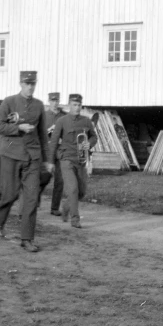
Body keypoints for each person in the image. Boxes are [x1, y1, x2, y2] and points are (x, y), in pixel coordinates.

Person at [0, 71, 52, 252]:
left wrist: (48, 160)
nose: (30, 87)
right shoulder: (9, 102)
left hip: (32, 158)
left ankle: (27, 239)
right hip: (11, 155)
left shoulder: (39, 105)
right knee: (10, 194)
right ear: (20, 84)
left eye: (33, 84)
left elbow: (43, 134)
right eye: (27, 84)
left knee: (31, 198)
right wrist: (18, 128)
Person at [49, 94, 98, 229]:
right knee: (73, 188)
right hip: (66, 159)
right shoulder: (62, 121)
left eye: (79, 105)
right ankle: (75, 219)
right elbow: (53, 142)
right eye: (74, 105)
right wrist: (51, 161)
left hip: (81, 160)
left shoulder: (86, 121)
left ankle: (66, 206)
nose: (77, 108)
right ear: (69, 105)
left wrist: (90, 143)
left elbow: (94, 137)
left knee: (81, 192)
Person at [43, 92, 66, 216]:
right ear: (49, 101)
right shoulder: (44, 116)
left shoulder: (64, 116)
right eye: (52, 100)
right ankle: (33, 202)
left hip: (60, 151)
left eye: (57, 100)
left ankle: (54, 208)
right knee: (44, 178)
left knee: (60, 180)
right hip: (47, 151)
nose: (55, 103)